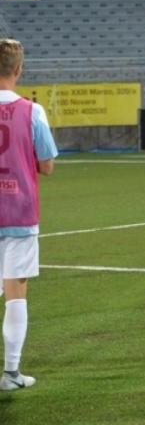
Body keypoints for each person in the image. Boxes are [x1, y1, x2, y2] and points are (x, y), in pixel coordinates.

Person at [0, 38, 57, 392]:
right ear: (20, 70)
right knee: (16, 290)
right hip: (19, 212)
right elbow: (47, 165)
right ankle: (11, 374)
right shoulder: (33, 111)